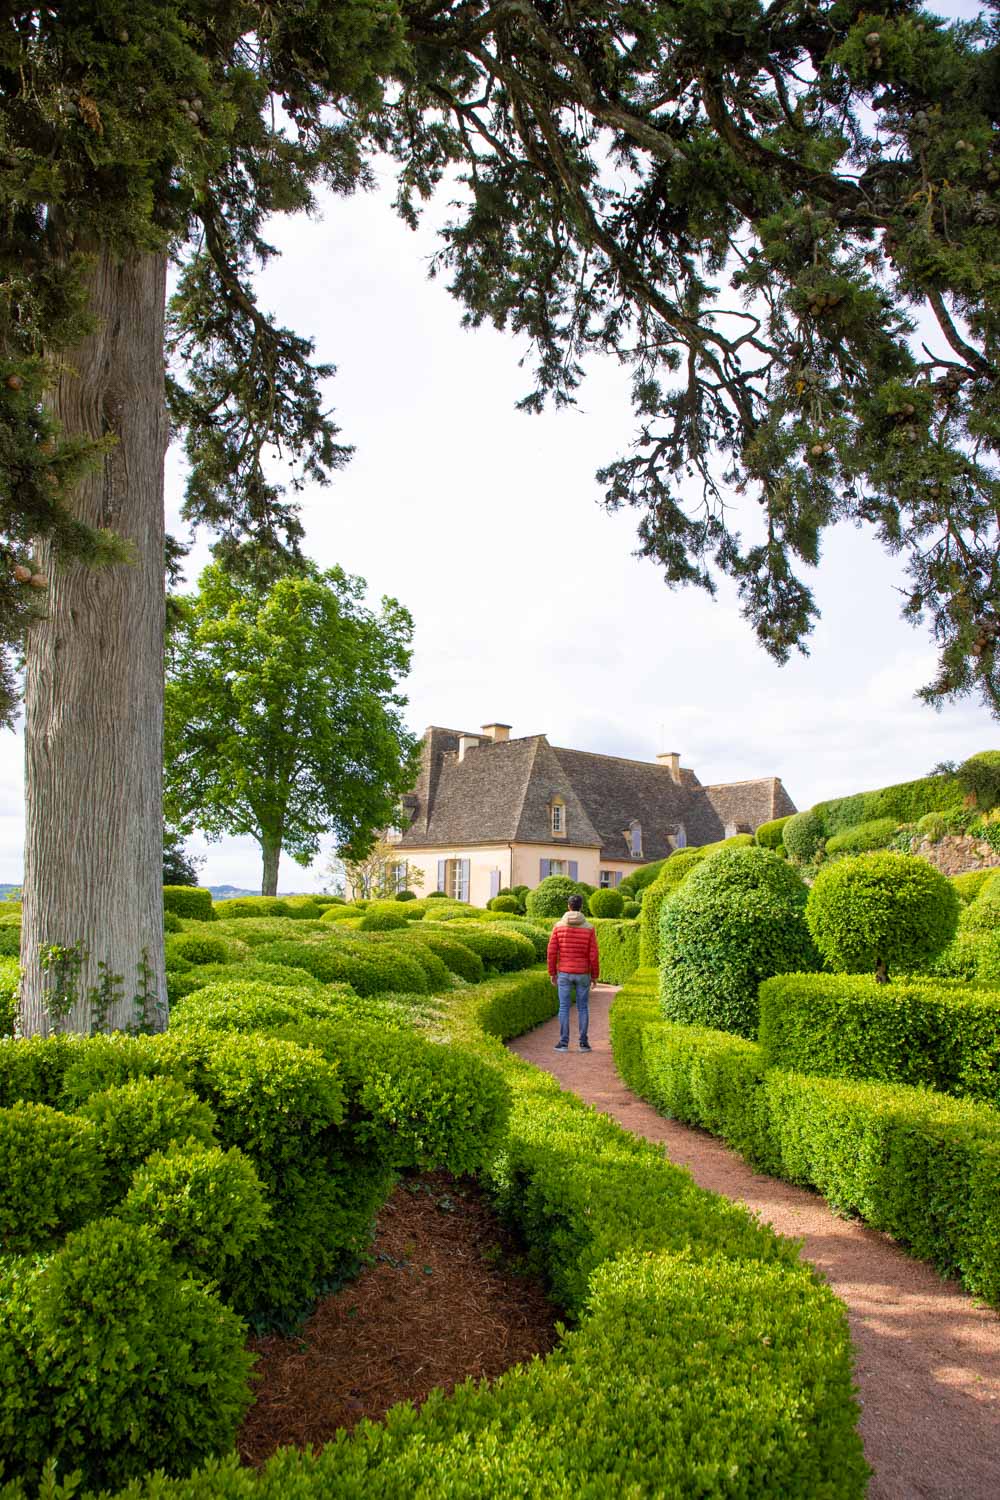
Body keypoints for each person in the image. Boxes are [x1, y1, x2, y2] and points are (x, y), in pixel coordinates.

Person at [546, 893, 600, 1052]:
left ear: (568, 906)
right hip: (583, 973)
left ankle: (563, 1043)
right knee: (583, 1008)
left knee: (563, 1007)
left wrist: (552, 972)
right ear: (581, 907)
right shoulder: (589, 928)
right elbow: (594, 954)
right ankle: (583, 1044)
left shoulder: (558, 926)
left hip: (564, 972)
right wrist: (595, 975)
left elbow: (551, 951)